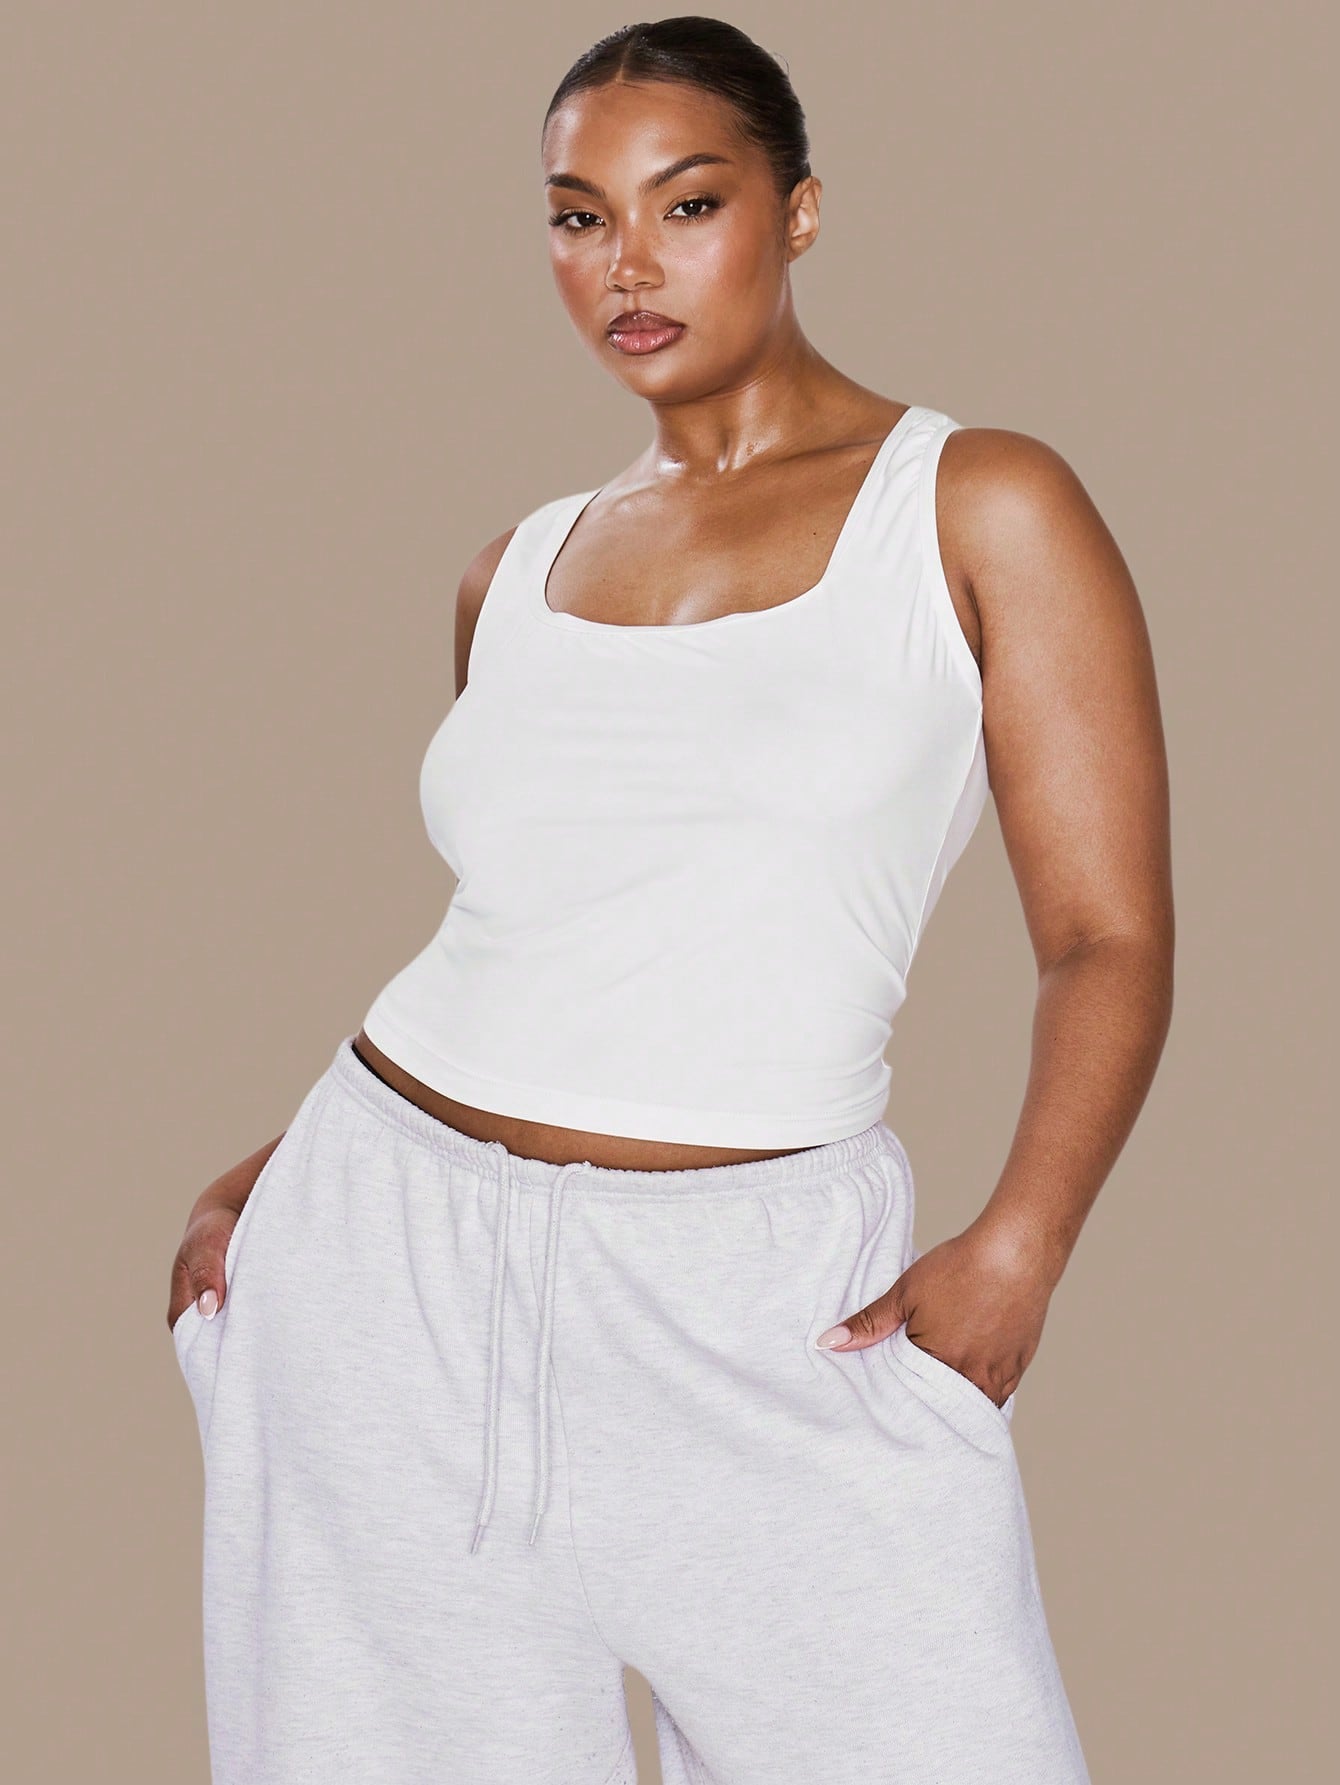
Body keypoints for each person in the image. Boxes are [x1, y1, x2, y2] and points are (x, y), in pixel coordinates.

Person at [166, 17, 1172, 1784]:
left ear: (798, 210)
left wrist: (1025, 1241)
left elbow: (1108, 936)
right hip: (385, 1279)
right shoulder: (518, 568)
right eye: (579, 218)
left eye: (686, 203)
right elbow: (552, 922)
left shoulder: (976, 505)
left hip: (758, 1301)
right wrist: (291, 1173)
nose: (626, 263)